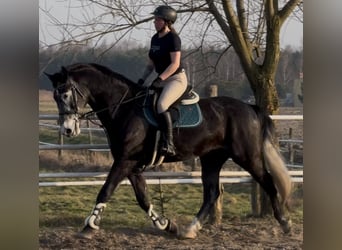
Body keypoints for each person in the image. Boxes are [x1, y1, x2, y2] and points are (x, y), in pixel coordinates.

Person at [138, 5, 188, 156]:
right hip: (163, 79)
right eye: (155, 19)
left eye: (157, 19)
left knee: (161, 104)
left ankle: (169, 144)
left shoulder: (173, 39)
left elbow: (175, 64)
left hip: (176, 79)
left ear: (167, 22)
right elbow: (150, 65)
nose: (154, 22)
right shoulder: (155, 39)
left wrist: (159, 79)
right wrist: (141, 79)